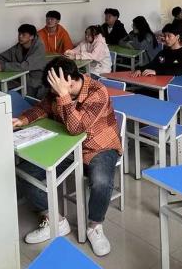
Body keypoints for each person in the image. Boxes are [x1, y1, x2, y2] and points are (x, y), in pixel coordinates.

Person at [13, 57, 121, 256]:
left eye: (55, 88)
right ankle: (55, 220)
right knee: (24, 173)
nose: (52, 93)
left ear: (69, 81)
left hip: (99, 146)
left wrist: (63, 95)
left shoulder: (97, 91)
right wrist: (22, 120)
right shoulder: (57, 91)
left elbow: (76, 128)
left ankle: (95, 226)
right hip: (70, 147)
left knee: (101, 181)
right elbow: (42, 108)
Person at [0, 24, 47, 97]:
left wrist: (3, 67)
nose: (20, 36)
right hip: (20, 78)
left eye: (23, 35)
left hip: (35, 82)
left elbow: (25, 66)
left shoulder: (39, 47)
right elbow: (0, 57)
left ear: (31, 37)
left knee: (5, 90)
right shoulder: (18, 46)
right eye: (19, 34)